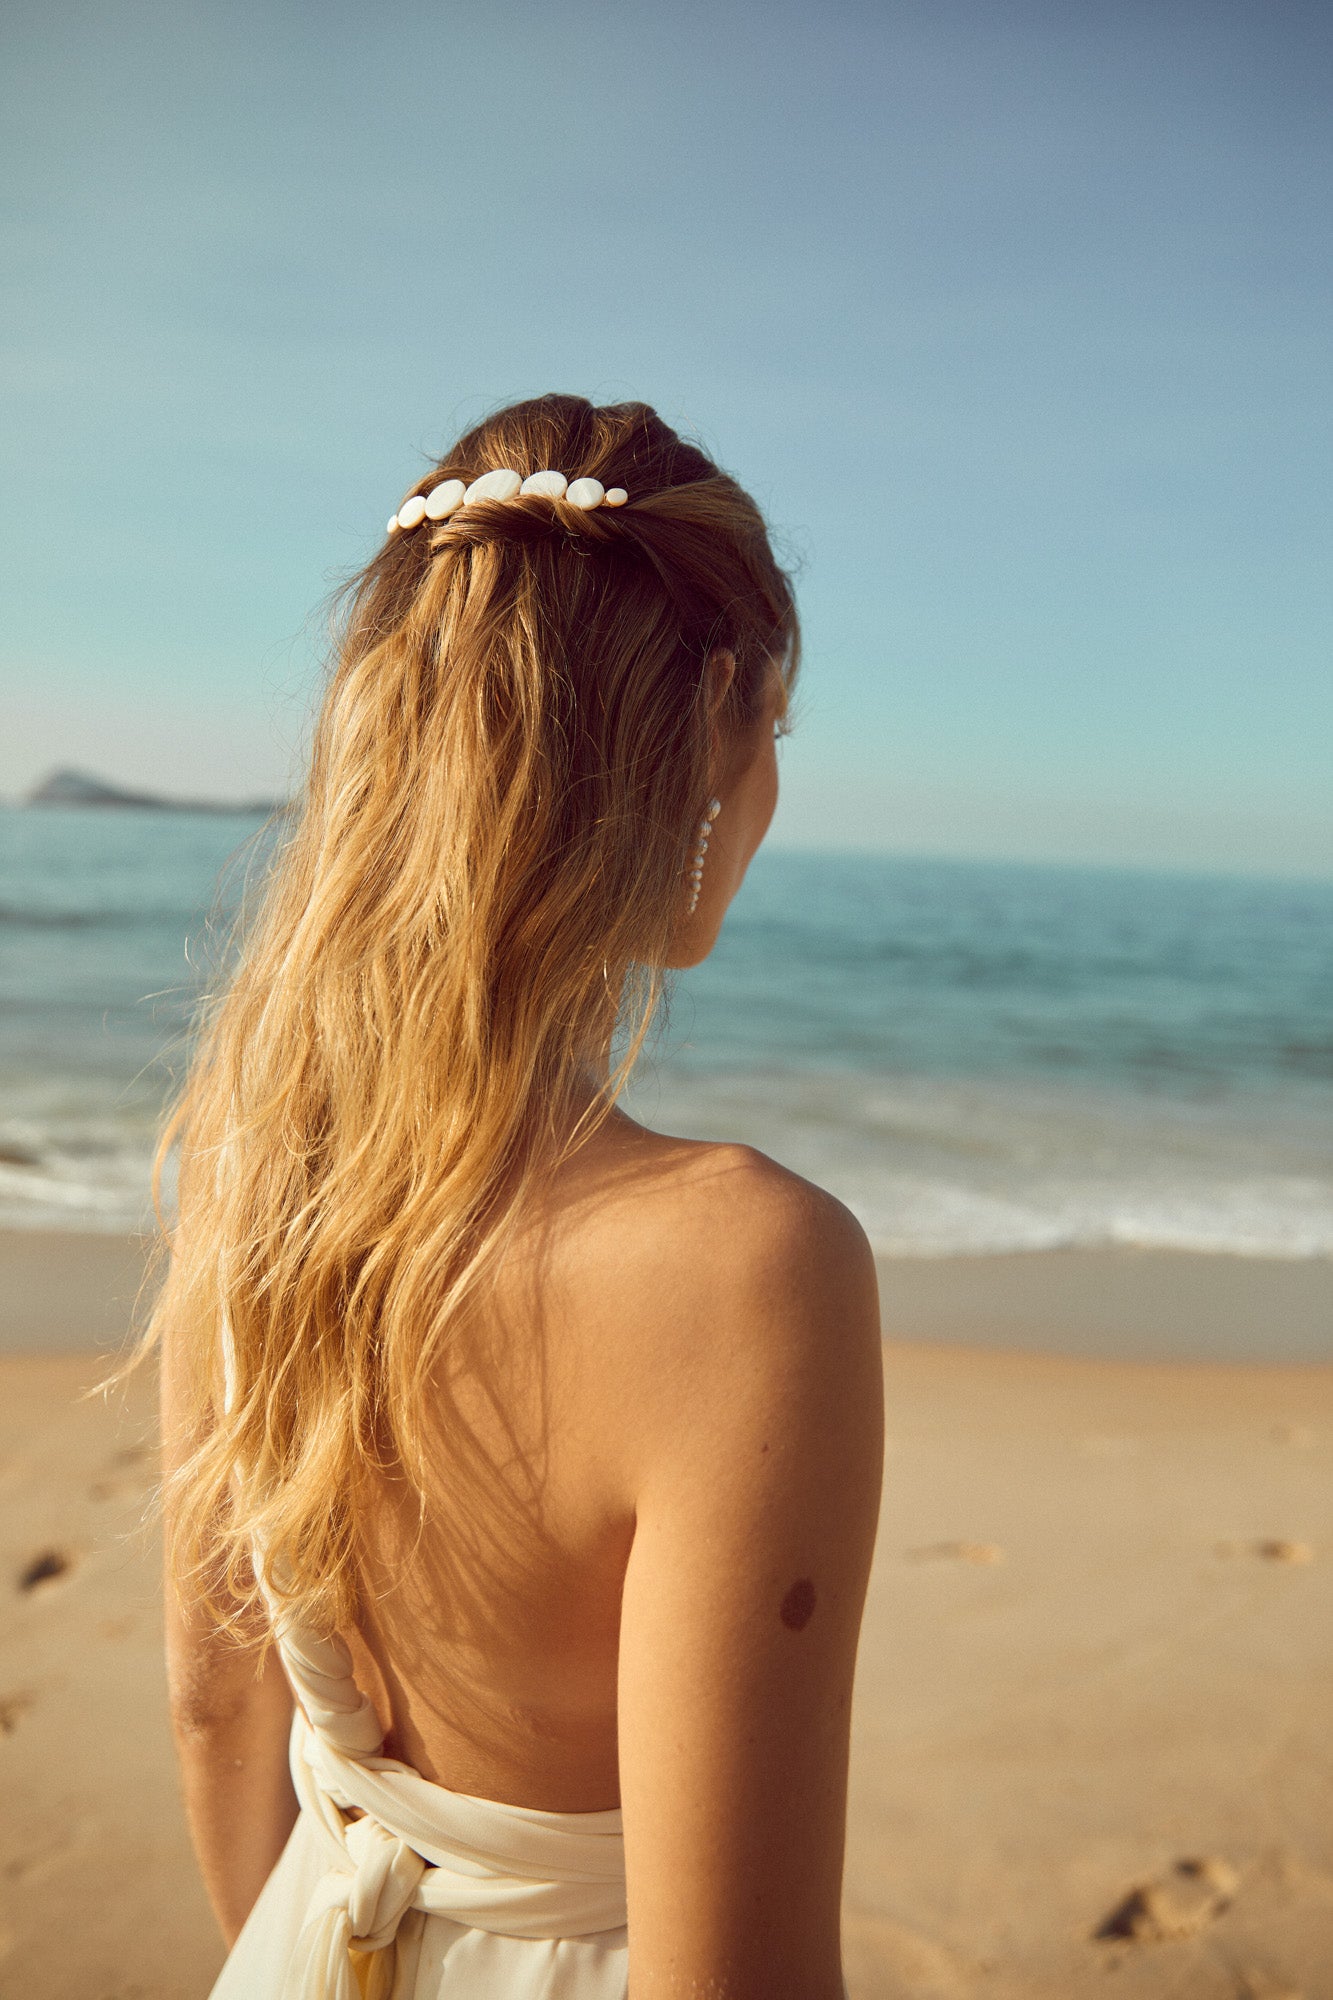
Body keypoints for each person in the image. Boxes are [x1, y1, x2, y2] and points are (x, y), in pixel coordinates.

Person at [152, 395, 884, 2000]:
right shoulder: (747, 1263)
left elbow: (218, 1709)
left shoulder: (254, 1158)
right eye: (777, 725)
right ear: (717, 714)